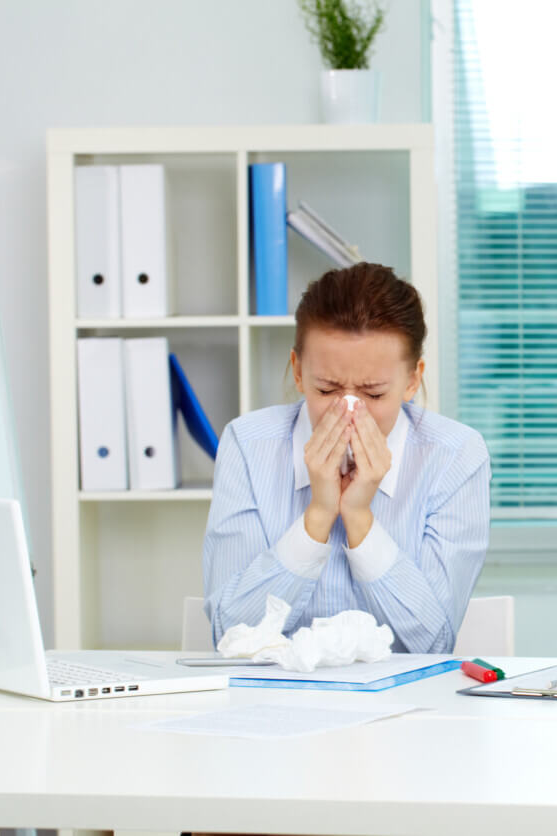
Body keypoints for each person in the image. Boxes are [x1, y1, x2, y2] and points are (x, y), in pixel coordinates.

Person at [204, 262, 491, 653]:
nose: (349, 411)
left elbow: (432, 642)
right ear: (299, 372)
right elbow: (230, 633)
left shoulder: (455, 455)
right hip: (275, 701)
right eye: (327, 389)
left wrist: (359, 517)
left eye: (373, 394)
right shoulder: (248, 444)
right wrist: (318, 515)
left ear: (412, 380)